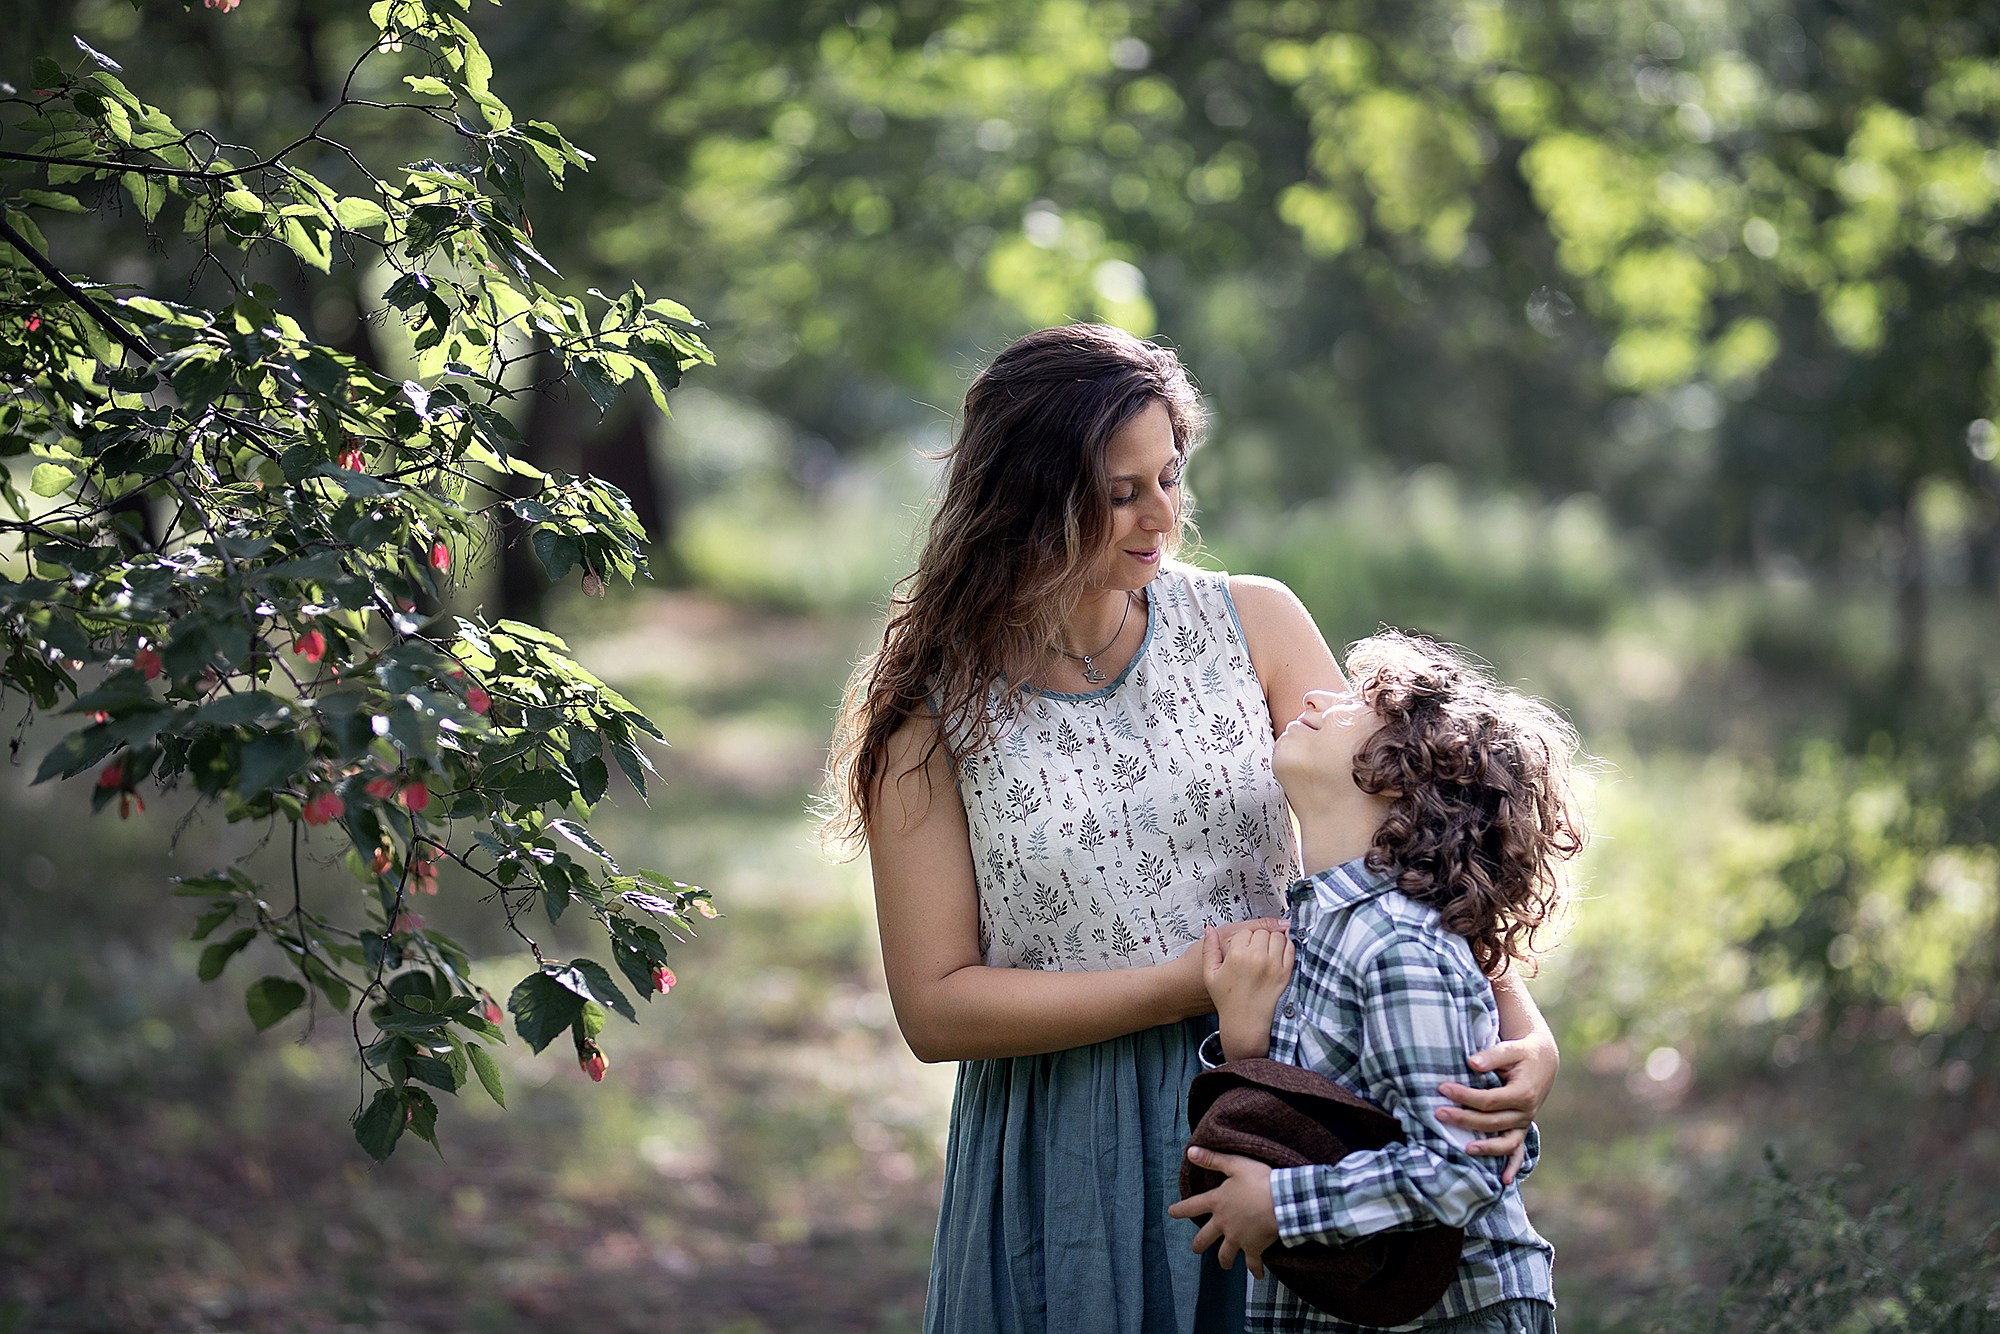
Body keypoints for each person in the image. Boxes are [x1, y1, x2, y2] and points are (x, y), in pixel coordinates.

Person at [824, 325, 1562, 1334]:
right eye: (1120, 491)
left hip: (1296, 1098)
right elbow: (934, 1007)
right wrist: (1188, 983)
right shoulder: (931, 710)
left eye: (1168, 475)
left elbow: (1410, 839)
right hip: (1068, 1135)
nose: (1160, 514)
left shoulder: (1249, 622)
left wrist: (1521, 1024)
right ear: (1029, 496)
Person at [1169, 631, 1587, 1333]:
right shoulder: (1319, 929)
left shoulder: (1397, 945)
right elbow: (1338, 1120)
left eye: (1359, 701)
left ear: (1406, 771)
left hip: (1455, 1313)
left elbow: (1460, 1171)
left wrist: (1282, 1205)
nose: (1313, 696)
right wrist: (1246, 1046)